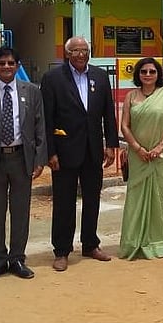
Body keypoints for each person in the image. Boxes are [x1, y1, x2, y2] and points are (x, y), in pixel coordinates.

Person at [40, 35, 119, 271]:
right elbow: (47, 118)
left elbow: (108, 112)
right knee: (64, 202)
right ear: (67, 54)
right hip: (64, 151)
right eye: (75, 50)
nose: (81, 54)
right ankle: (62, 250)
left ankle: (90, 244)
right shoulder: (53, 78)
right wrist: (50, 152)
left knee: (93, 199)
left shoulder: (100, 76)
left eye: (85, 50)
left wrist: (111, 144)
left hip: (93, 149)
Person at [0, 46, 47, 282]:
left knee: (20, 211)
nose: (6, 67)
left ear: (17, 66)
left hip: (21, 158)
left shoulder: (32, 91)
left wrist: (39, 159)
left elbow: (39, 126)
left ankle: (17, 259)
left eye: (11, 63)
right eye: (1, 63)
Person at [118, 58, 163, 258]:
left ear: (158, 74)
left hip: (162, 156)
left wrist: (161, 145)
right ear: (138, 74)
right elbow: (124, 125)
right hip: (138, 156)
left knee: (161, 199)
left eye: (152, 71)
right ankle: (134, 241)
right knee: (135, 198)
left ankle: (160, 244)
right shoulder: (131, 96)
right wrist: (137, 148)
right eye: (143, 71)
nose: (148, 75)